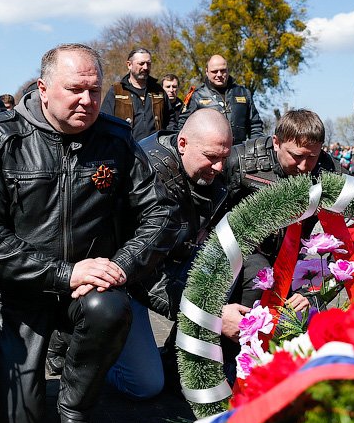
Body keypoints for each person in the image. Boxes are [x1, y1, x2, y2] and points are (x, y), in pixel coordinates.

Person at [0, 43, 179, 423]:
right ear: (44, 89)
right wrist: (65, 273)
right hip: (19, 293)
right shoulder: (1, 138)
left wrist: (120, 266)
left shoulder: (116, 140)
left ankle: (75, 407)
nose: (87, 100)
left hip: (87, 290)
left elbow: (161, 214)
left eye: (95, 90)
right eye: (75, 89)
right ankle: (35, 370)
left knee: (111, 308)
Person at [106, 109, 250, 399]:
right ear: (182, 144)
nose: (220, 167)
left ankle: (180, 356)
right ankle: (92, 351)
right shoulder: (145, 174)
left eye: (224, 157)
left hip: (168, 265)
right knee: (145, 385)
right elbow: (138, 271)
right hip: (124, 280)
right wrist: (212, 315)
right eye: (211, 157)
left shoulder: (211, 168)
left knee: (227, 264)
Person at [225, 110, 345, 307]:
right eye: (296, 156)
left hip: (294, 261)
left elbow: (348, 245)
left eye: (312, 157)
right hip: (244, 254)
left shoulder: (333, 173)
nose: (304, 166)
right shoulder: (239, 162)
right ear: (276, 142)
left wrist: (315, 294)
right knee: (258, 272)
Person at [179, 54, 265, 145]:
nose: (219, 74)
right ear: (207, 72)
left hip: (239, 152)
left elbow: (255, 126)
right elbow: (183, 127)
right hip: (210, 154)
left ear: (228, 70)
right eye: (214, 71)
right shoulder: (196, 96)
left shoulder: (243, 93)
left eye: (223, 70)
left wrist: (256, 147)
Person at [101, 47, 172, 141]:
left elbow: (171, 120)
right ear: (129, 65)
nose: (145, 67)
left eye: (148, 63)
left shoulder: (158, 90)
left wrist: (166, 141)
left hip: (154, 151)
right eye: (141, 64)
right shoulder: (116, 90)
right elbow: (104, 123)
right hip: (125, 150)